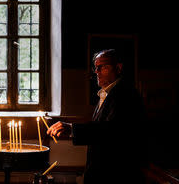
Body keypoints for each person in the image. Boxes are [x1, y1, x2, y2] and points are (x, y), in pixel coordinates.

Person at [47, 49, 148, 184]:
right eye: (96, 67)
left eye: (103, 67)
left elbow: (111, 131)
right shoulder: (106, 94)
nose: (97, 71)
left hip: (116, 174)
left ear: (118, 68)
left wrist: (72, 128)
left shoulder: (126, 94)